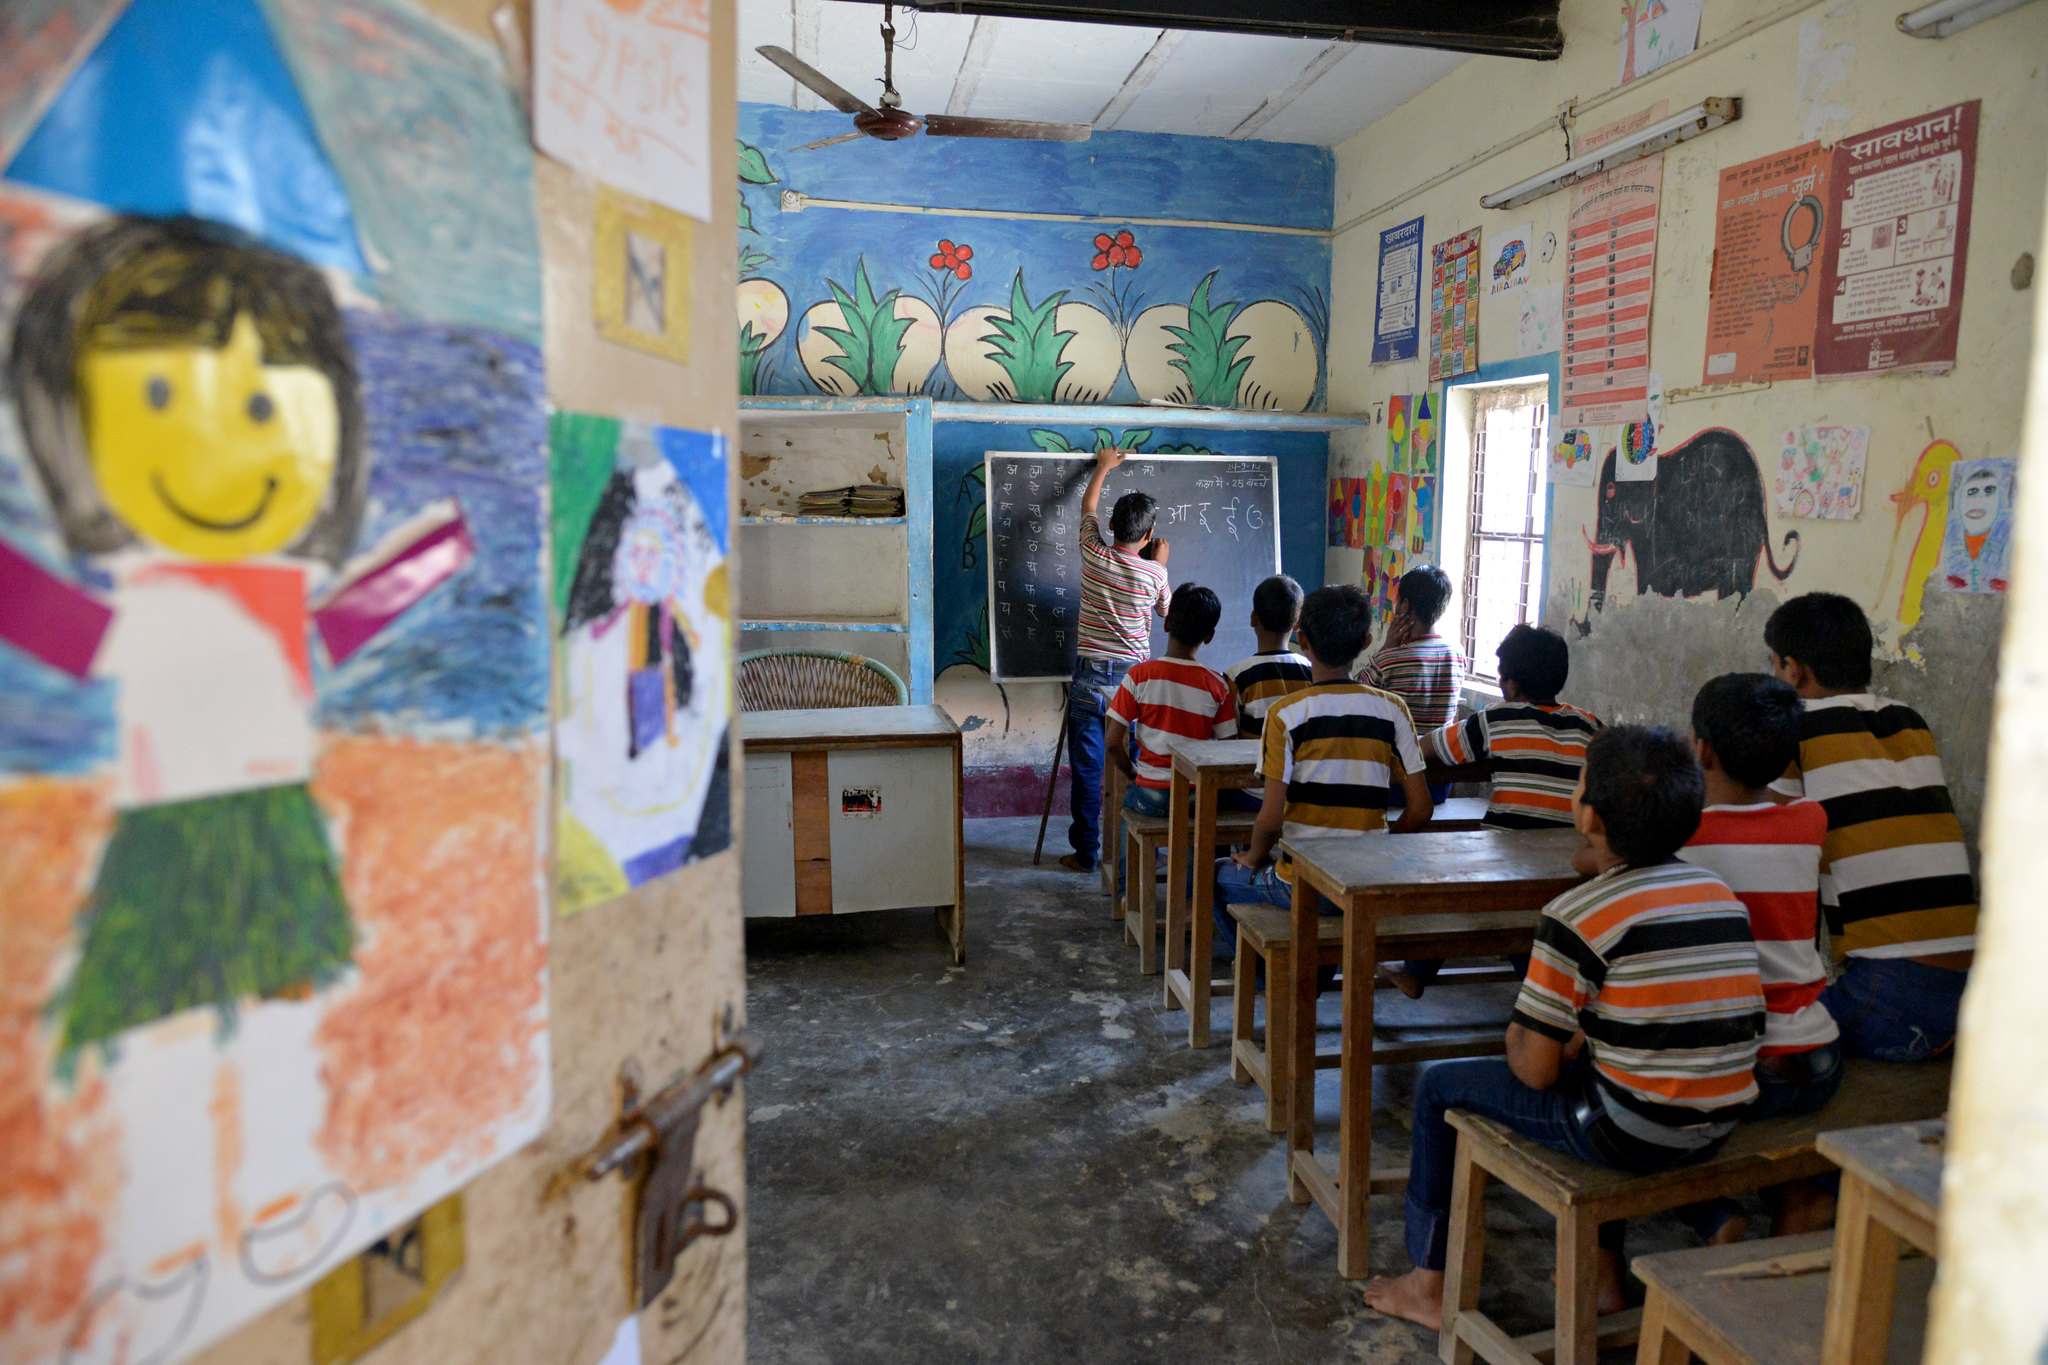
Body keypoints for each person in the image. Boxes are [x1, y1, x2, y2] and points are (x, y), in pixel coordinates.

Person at [1363, 727, 1765, 1330]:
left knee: (1440, 1088)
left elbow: (1533, 1069)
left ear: (1589, 815)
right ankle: (1704, 1216)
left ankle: (1426, 1281)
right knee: (1616, 1072)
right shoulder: (1718, 894)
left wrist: (1535, 1036)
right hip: (1721, 1116)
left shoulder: (1576, 914)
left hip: (1628, 1126)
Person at [1764, 593, 1977, 1061]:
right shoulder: (1909, 720)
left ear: (1793, 671)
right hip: (1974, 991)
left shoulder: (1794, 727)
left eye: (1776, 667)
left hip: (1891, 996)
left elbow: (1768, 842)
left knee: (1748, 1030)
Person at [1675, 673, 1838, 1238]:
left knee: (1645, 1096)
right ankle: (1798, 1198)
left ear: (1701, 749)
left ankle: (1714, 1213)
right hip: (1818, 1056)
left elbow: (1592, 861)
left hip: (1742, 1061)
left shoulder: (1683, 833)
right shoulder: (1810, 820)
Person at [1212, 585, 1432, 960]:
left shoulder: (1286, 714)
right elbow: (1421, 808)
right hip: (1368, 880)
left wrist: (1252, 856)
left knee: (1215, 875)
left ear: (1303, 640)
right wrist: (1381, 845)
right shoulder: (1393, 710)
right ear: (1365, 641)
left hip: (1303, 882)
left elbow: (1272, 815)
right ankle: (1310, 973)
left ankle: (1267, 978)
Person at [1387, 623, 1601, 998]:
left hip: (1504, 868)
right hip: (1573, 866)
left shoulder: (1497, 718)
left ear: (1511, 685)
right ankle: (1535, 988)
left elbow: (1425, 748)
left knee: (1445, 886)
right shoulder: (1589, 725)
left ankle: (1417, 972)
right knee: (1534, 914)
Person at [1059, 447, 1169, 874]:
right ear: (1149, 534)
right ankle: (1139, 852)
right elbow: (1166, 613)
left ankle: (1086, 853)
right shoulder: (1155, 574)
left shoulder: (1093, 553)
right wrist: (1158, 563)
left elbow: (1087, 507)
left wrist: (1103, 466)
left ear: (1110, 527)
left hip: (1089, 679)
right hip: (1133, 684)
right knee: (1139, 765)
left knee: (1087, 769)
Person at [1104, 585, 1236, 901]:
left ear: (1165, 624)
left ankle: (1126, 889)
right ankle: (1194, 896)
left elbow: (1111, 742)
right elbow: (1229, 750)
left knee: (1127, 809)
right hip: (1194, 796)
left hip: (1150, 793)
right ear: (1209, 637)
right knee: (1203, 820)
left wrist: (1134, 774)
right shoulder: (1217, 685)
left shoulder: (1139, 675)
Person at [1358, 563, 1467, 803]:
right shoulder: (1457, 654)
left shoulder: (1389, 660)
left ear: (1404, 605)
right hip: (1439, 784)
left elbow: (1353, 696)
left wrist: (1385, 648)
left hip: (1394, 783)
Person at [1221, 574, 1313, 742]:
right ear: (1297, 624)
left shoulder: (1236, 677)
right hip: (1301, 767)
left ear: (1253, 618)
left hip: (1252, 766)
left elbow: (1228, 737)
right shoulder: (1311, 670)